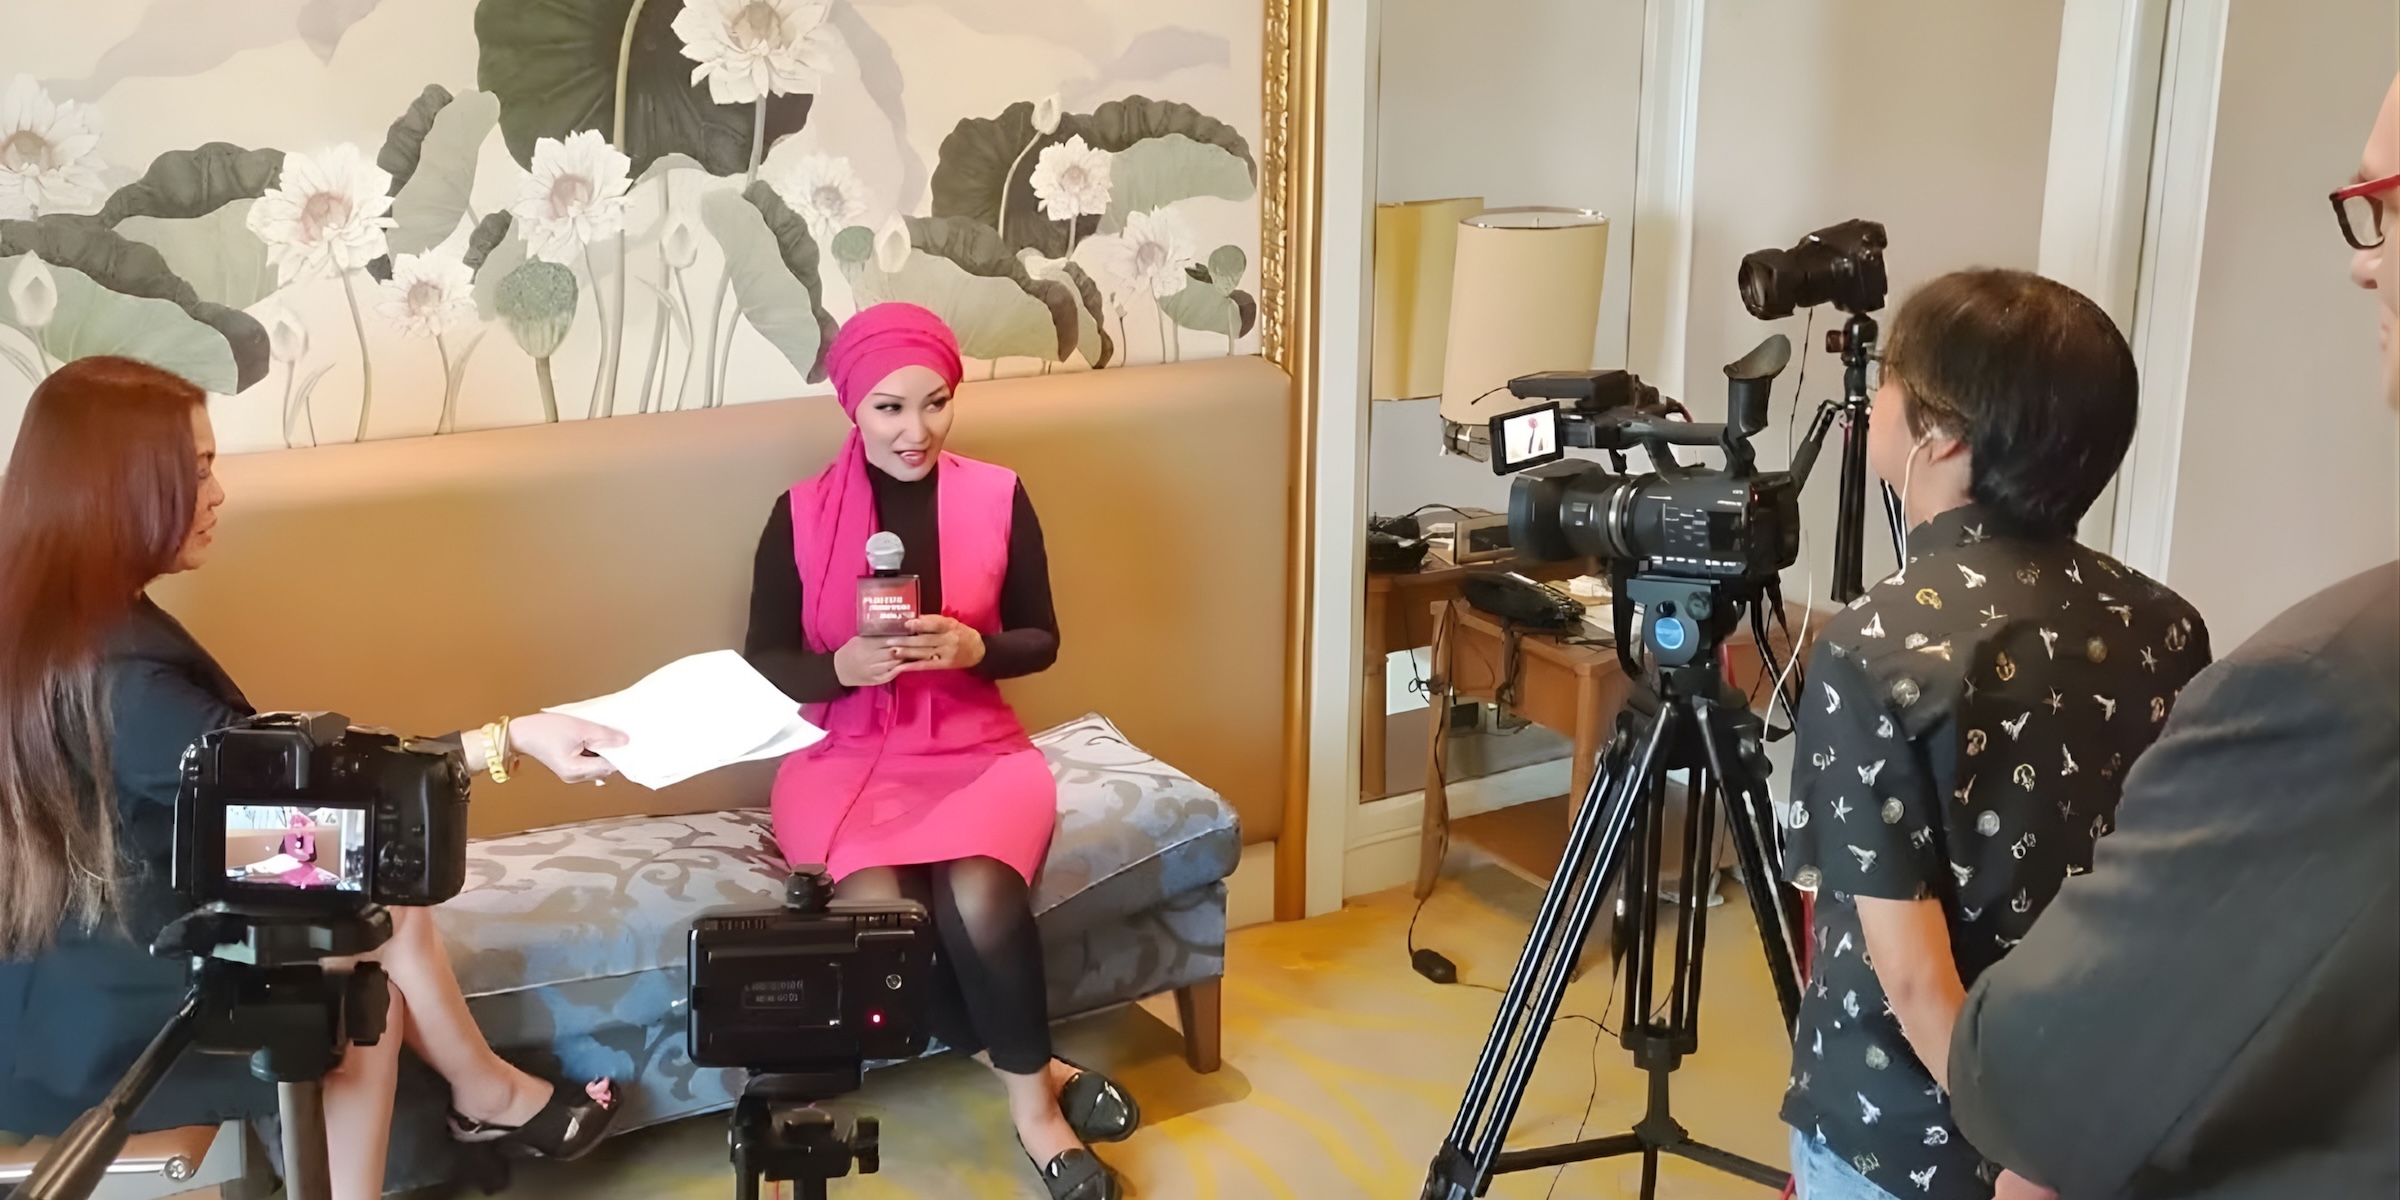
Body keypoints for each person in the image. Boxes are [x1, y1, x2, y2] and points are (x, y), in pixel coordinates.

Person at [0, 357, 629, 1200]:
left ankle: (487, 1095)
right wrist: (506, 740)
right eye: (197, 471)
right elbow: (318, 795)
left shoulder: (66, 620)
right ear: (122, 488)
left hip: (73, 961)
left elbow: (280, 780)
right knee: (358, 997)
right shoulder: (120, 675)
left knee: (372, 899)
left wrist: (502, 740)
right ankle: (483, 1098)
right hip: (90, 1016)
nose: (219, 493)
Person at [1946, 74, 2400, 1199]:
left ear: (1946, 433)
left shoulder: (2327, 687)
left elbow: (2030, 1075)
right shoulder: (2166, 620)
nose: (2364, 260)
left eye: (2384, 201)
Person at [1776, 270, 2212, 1200]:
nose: (1872, 400)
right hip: (2096, 1111)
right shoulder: (2168, 626)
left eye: (1888, 378)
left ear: (1942, 433)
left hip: (1905, 1133)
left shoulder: (1872, 645)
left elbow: (1911, 973)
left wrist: (2014, 1148)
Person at [743, 303, 1135, 1200]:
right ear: (852, 406)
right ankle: (1048, 1071)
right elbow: (764, 660)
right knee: (887, 927)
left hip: (975, 746)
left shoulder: (998, 495)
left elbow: (1042, 638)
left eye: (935, 403)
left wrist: (976, 648)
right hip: (843, 756)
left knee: (983, 894)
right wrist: (838, 669)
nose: (915, 431)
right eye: (889, 408)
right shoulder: (798, 515)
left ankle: (1037, 1120)